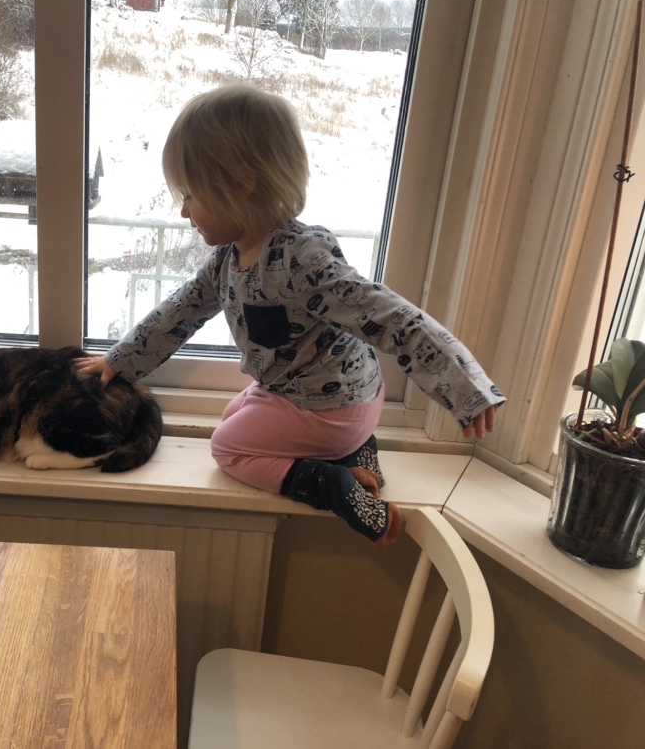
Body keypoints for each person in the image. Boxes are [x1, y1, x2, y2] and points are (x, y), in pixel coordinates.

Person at [76, 84, 505, 548]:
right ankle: (356, 455)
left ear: (242, 183)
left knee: (228, 447)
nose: (183, 211)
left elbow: (391, 317)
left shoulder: (302, 262)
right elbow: (179, 311)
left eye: (191, 194)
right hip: (327, 398)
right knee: (234, 413)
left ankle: (331, 485)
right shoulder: (227, 260)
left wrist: (463, 385)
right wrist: (119, 361)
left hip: (333, 410)